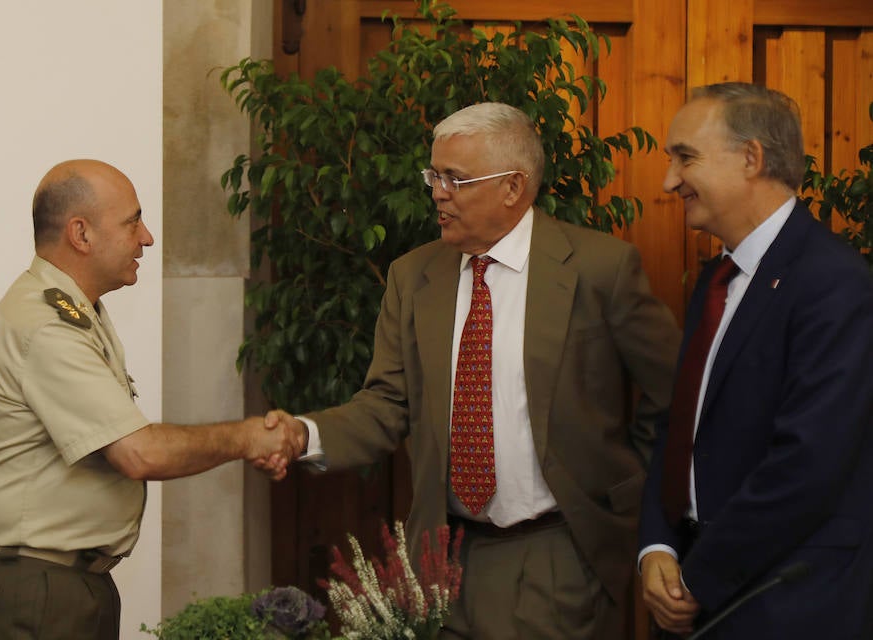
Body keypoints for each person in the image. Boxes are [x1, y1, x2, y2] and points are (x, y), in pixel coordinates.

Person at [263, 102, 682, 639]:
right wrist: (306, 435)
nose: (438, 192)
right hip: (442, 555)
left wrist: (626, 483)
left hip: (559, 551)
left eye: (455, 179)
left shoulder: (601, 269)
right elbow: (386, 404)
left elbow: (674, 394)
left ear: (513, 186)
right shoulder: (412, 276)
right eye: (434, 176)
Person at [0, 159, 298, 640]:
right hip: (33, 594)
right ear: (81, 234)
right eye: (132, 221)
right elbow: (138, 452)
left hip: (60, 586)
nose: (146, 237)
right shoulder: (45, 323)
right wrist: (250, 436)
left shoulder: (77, 310)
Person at [638, 83, 873, 639]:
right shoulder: (717, 280)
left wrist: (696, 579)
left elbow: (807, 465)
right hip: (697, 591)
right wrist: (657, 545)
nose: (669, 180)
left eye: (685, 158)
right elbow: (679, 429)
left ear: (751, 158)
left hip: (785, 604)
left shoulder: (834, 283)